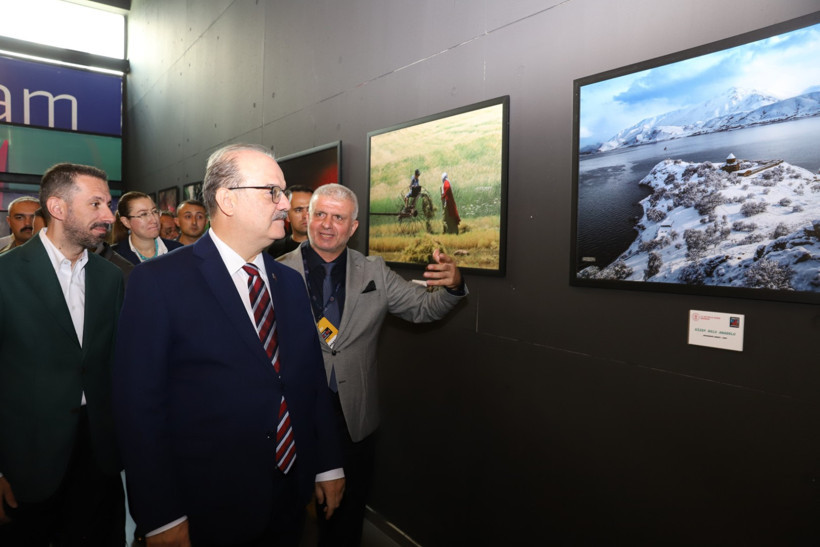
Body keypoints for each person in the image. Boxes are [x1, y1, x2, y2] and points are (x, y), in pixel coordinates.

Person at [114, 143, 344, 547]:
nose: (287, 203)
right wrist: (162, 516)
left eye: (284, 192)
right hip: (206, 506)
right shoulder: (158, 282)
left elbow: (308, 380)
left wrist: (327, 466)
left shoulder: (288, 282)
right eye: (273, 191)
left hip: (289, 496)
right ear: (226, 200)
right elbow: (139, 410)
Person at [279, 183, 466, 546]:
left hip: (353, 418)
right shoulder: (276, 272)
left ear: (353, 227)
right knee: (285, 518)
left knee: (345, 522)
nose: (327, 224)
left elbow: (423, 308)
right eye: (320, 214)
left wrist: (454, 287)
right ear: (304, 218)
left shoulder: (374, 272)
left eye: (338, 217)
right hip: (292, 415)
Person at [0, 163, 125, 546]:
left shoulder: (110, 277)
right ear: (57, 207)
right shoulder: (5, 276)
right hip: (27, 462)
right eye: (96, 204)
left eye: (109, 203)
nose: (108, 215)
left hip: (101, 458)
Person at [112, 191, 182, 265]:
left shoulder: (178, 250)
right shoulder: (113, 257)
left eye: (155, 211)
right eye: (143, 214)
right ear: (126, 222)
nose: (154, 220)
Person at [268, 185, 313, 258]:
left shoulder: (329, 247)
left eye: (310, 209)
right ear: (287, 216)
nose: (306, 216)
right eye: (298, 210)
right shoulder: (276, 250)